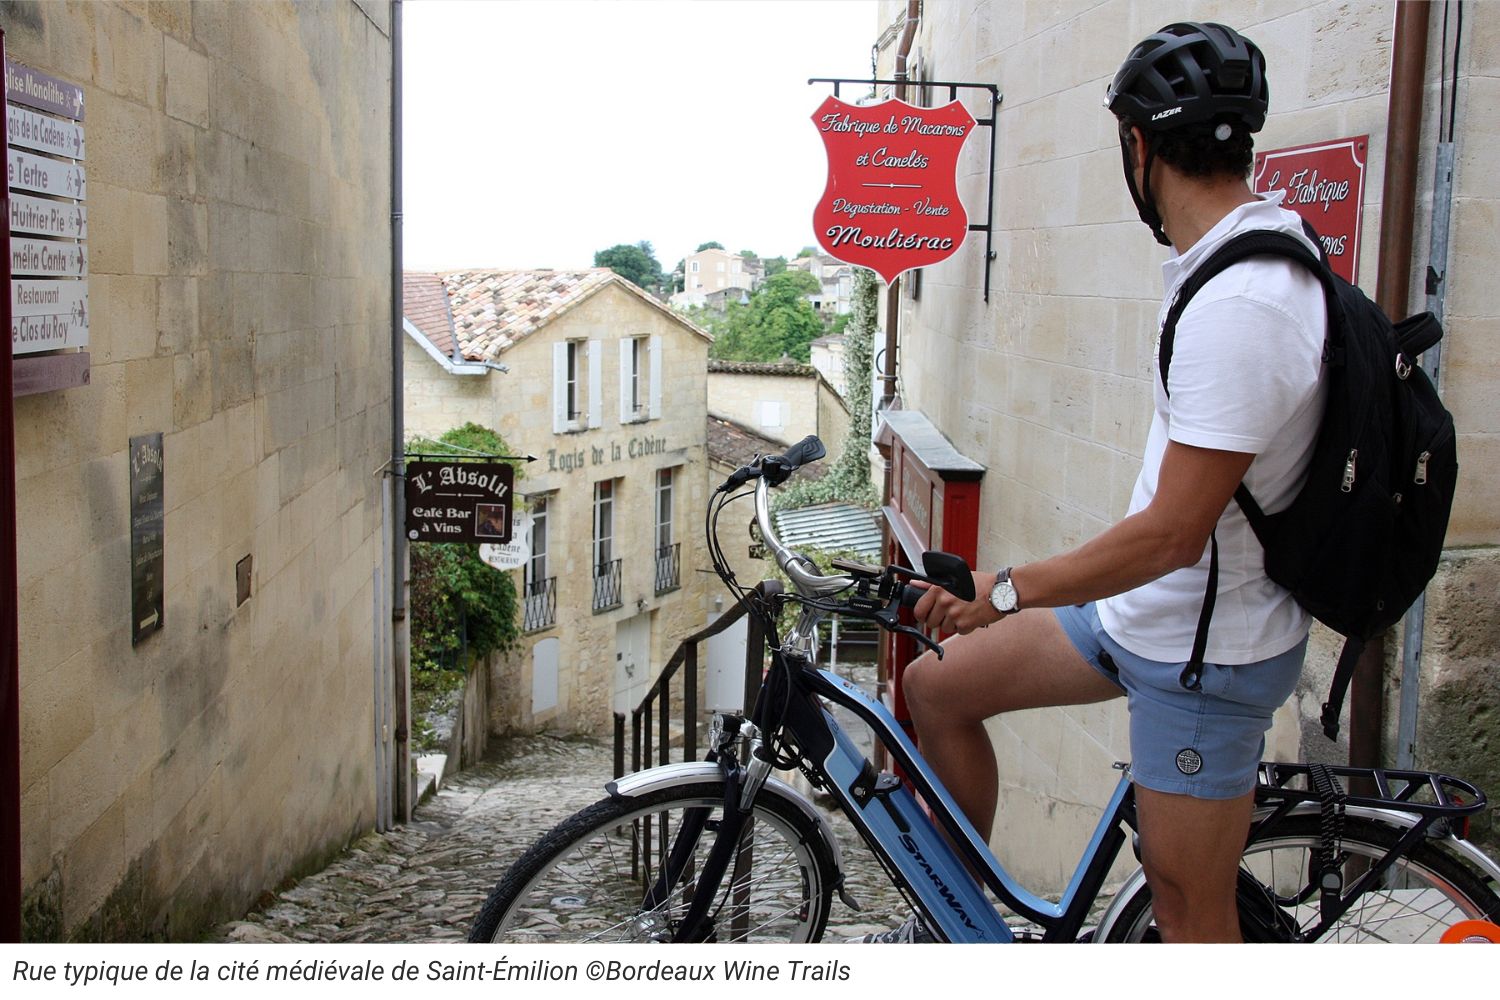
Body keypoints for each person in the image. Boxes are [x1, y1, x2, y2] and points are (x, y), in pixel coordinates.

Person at [887, 22, 1329, 943]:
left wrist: (1004, 591)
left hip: (1204, 658)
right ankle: (960, 932)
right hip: (1143, 617)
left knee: (1184, 903)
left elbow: (1173, 533)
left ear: (1138, 145)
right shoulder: (1227, 265)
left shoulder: (1244, 305)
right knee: (938, 689)